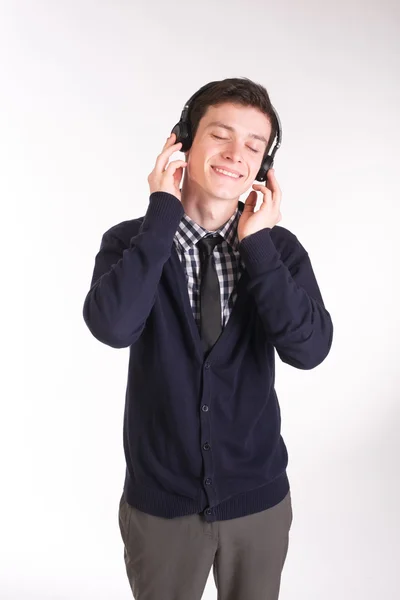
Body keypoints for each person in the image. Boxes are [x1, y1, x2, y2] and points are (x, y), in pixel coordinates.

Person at [82, 77, 333, 600]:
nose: (235, 154)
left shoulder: (278, 252)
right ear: (181, 142)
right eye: (220, 135)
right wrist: (161, 213)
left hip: (257, 502)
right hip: (162, 506)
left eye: (254, 146)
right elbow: (112, 326)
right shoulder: (131, 241)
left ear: (264, 166)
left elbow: (308, 349)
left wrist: (257, 245)